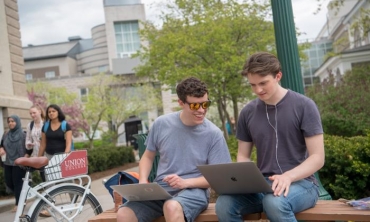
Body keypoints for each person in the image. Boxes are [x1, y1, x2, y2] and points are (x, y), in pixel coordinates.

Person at [215, 52, 325, 222]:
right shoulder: (248, 112)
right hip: (263, 185)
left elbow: (318, 157)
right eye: (253, 85)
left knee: (274, 202)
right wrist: (245, 181)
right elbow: (243, 155)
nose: (258, 90)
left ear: (278, 76)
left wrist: (288, 176)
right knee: (224, 204)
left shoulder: (304, 106)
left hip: (302, 184)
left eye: (263, 83)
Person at [117, 77, 231, 222]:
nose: (202, 110)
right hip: (161, 190)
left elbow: (219, 177)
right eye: (195, 106)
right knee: (124, 213)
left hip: (194, 191)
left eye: (205, 104)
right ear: (181, 103)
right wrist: (144, 181)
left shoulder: (213, 134)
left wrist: (185, 182)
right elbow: (147, 156)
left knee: (171, 207)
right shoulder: (161, 123)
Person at [0, 115, 31, 212]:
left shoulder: (24, 134)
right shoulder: (6, 134)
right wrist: (1, 149)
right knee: (9, 182)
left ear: (17, 122)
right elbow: (1, 145)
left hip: (19, 163)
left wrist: (26, 156)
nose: (10, 123)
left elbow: (29, 148)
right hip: (8, 162)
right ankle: (24, 194)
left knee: (18, 183)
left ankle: (18, 204)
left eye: (13, 121)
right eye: (9, 121)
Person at [25, 104, 46, 181]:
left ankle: (49, 192)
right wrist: (29, 144)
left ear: (40, 112)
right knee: (28, 175)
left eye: (34, 113)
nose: (32, 115)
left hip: (45, 155)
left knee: (45, 177)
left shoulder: (46, 124)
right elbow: (28, 139)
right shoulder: (30, 125)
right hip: (35, 155)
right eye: (30, 113)